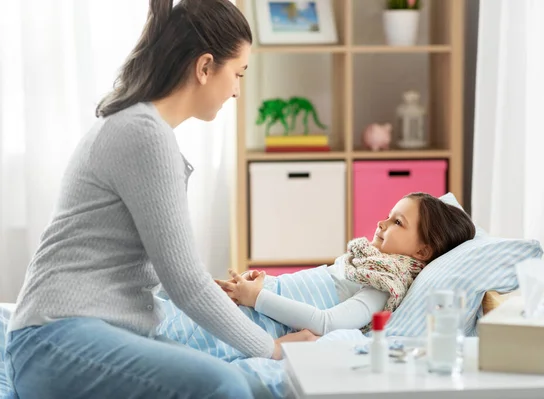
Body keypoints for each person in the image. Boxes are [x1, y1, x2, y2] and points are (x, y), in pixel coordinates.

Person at [4, 1, 315, 398]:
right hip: (53, 338)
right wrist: (271, 348)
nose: (237, 90)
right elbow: (187, 284)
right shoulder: (144, 133)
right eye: (237, 74)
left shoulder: (138, 126)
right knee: (225, 384)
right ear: (205, 68)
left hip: (79, 334)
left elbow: (162, 275)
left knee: (254, 386)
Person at [216, 192, 477, 335]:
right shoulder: (366, 265)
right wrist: (267, 283)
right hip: (258, 304)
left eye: (397, 222)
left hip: (261, 322)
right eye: (388, 216)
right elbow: (307, 286)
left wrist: (258, 298)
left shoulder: (384, 284)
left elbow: (326, 322)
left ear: (423, 251)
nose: (381, 224)